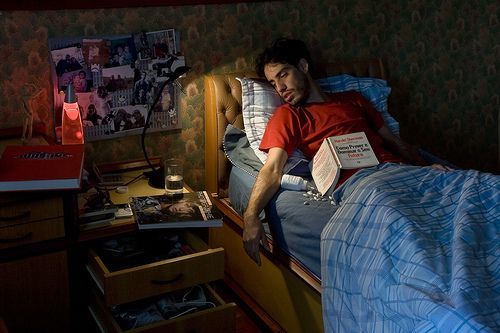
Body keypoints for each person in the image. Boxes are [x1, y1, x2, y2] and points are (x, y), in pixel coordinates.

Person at [242, 37, 437, 265]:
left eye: (283, 74)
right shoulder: (289, 115)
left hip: (399, 172)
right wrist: (250, 216)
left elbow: (397, 144)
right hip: (364, 185)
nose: (280, 88)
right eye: (273, 83)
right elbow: (273, 169)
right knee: (412, 232)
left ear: (303, 67)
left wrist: (430, 171)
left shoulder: (353, 100)